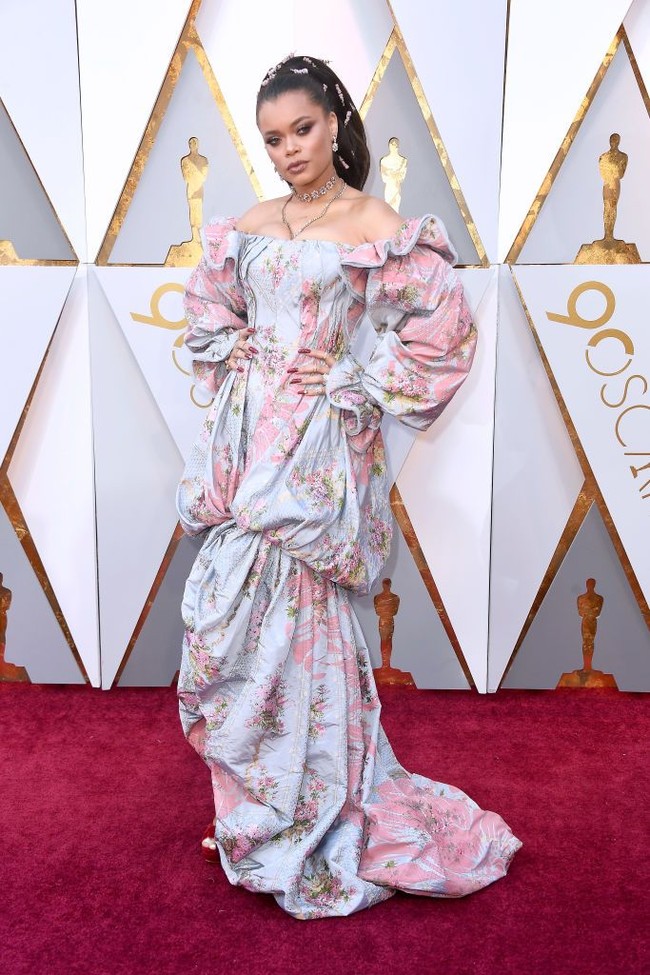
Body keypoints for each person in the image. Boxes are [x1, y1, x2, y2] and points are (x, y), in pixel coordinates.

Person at [176, 54, 521, 920]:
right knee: (231, 629)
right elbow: (210, 310)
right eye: (272, 138)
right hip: (252, 442)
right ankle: (261, 802)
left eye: (301, 129)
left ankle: (308, 807)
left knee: (299, 625)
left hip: (315, 455)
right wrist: (244, 352)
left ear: (333, 120)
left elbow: (444, 326)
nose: (289, 150)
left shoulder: (373, 221)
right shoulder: (251, 223)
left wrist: (357, 384)